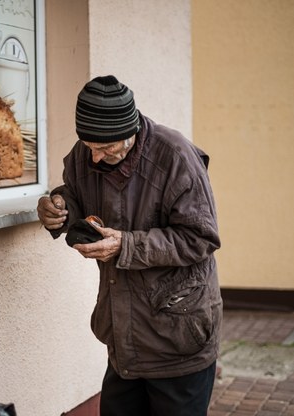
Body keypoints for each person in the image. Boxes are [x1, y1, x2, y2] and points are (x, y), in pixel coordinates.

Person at [37, 75, 222, 416]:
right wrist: (60, 209)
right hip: (124, 340)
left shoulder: (176, 157)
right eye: (89, 146)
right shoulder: (87, 153)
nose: (95, 157)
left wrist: (126, 245)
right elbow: (76, 195)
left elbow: (201, 238)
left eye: (106, 149)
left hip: (177, 338)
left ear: (131, 131)